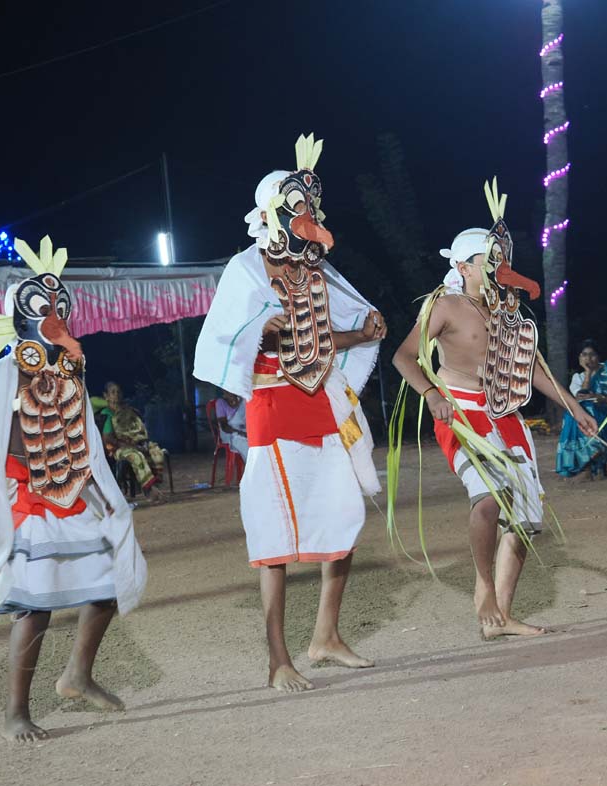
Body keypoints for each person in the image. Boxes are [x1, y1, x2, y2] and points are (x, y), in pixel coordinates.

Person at [192, 135, 385, 693]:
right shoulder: (245, 269)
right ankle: (278, 659)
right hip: (273, 405)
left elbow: (322, 338)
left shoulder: (315, 271)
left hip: (322, 403)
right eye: (298, 208)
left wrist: (362, 330)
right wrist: (261, 327)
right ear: (273, 213)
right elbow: (224, 341)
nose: (309, 218)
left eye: (312, 209)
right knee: (273, 527)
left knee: (345, 512)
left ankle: (325, 636)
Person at [0, 235, 147, 742]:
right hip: (26, 503)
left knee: (110, 582)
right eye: (44, 311)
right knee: (35, 606)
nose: (56, 319)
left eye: (61, 311)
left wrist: (106, 500)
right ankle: (16, 711)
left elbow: (87, 446)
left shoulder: (70, 377)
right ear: (22, 320)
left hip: (73, 495)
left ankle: (77, 674)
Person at [391, 180, 598, 639]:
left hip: (504, 412)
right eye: (490, 262)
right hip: (461, 413)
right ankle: (483, 587)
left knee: (523, 520)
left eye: (502, 261)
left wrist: (572, 406)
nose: (499, 269)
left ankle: (500, 617)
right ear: (464, 267)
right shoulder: (443, 306)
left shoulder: (507, 312)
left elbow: (531, 371)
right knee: (487, 497)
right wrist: (432, 394)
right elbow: (403, 357)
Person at [556, 341, 607, 478]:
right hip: (588, 416)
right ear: (579, 358)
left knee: (578, 417)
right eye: (584, 355)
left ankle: (588, 463)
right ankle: (589, 460)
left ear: (599, 357)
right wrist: (588, 373)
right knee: (573, 416)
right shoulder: (578, 378)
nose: (588, 359)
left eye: (592, 354)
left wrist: (602, 398)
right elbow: (580, 396)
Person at [98, 382, 168, 501]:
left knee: (157, 452)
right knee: (136, 456)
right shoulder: (107, 414)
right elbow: (107, 438)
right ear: (106, 396)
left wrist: (143, 443)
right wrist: (130, 445)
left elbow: (140, 429)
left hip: (138, 443)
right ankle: (149, 490)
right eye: (113, 392)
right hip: (120, 447)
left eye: (118, 392)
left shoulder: (129, 411)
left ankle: (153, 484)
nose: (117, 395)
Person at [214, 389, 249, 459]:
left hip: (243, 430)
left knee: (255, 443)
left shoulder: (243, 401)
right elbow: (224, 426)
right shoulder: (221, 403)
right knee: (244, 443)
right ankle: (252, 467)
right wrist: (240, 432)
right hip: (229, 433)